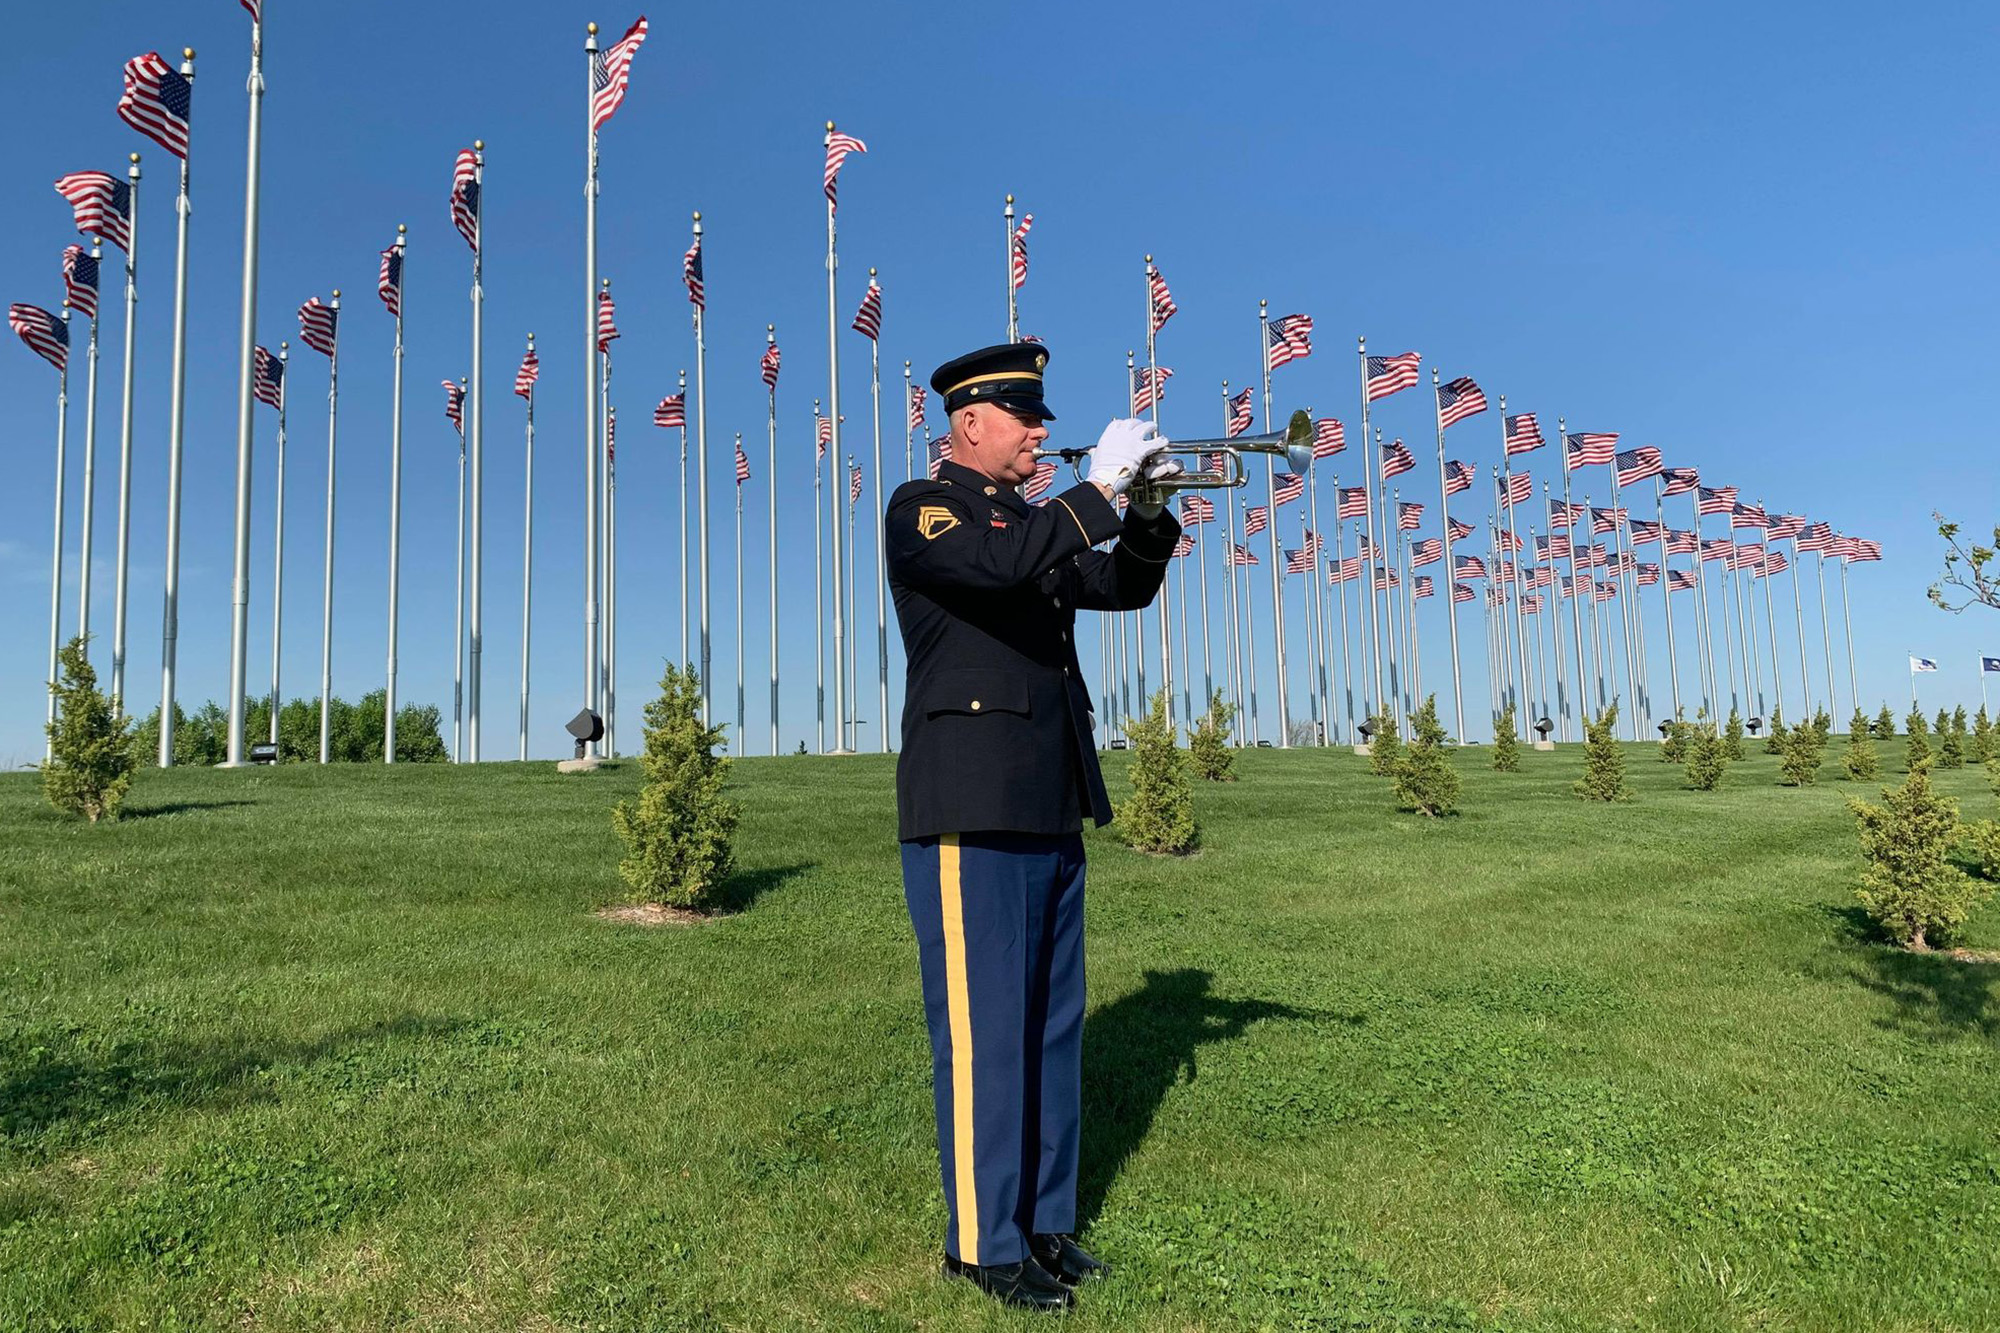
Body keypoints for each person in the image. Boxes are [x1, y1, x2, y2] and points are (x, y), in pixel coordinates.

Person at [884, 342, 1182, 1311]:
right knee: (982, 1038)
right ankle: (981, 1240)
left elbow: (1121, 587)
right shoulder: (925, 510)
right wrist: (1095, 489)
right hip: (970, 806)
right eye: (1024, 416)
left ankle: (1044, 1226)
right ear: (969, 422)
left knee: (1052, 1032)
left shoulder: (1030, 524)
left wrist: (1141, 514)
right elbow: (1004, 561)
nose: (1041, 432)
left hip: (1048, 803)